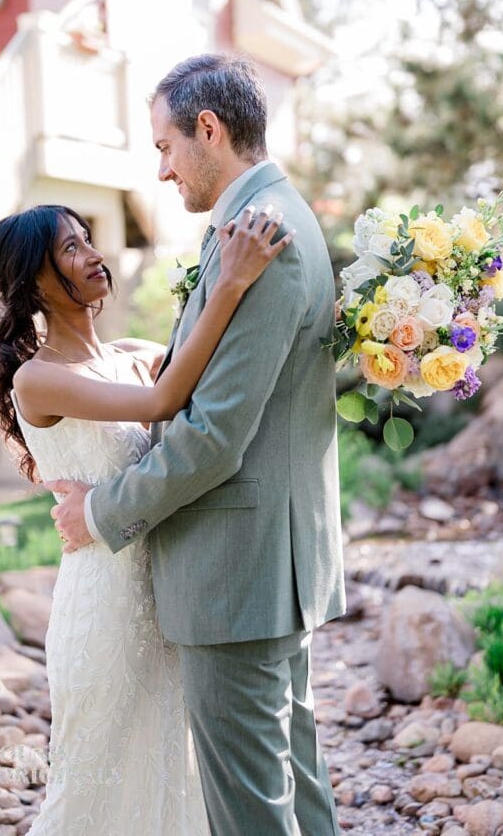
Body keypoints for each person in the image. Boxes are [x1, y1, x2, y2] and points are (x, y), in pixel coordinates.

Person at [52, 53, 347, 835]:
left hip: (236, 574)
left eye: (164, 147)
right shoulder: (275, 218)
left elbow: (213, 436)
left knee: (251, 813)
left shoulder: (261, 236)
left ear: (207, 129)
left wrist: (101, 510)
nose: (161, 170)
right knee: (294, 789)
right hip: (266, 562)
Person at [0, 200, 292, 835]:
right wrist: (229, 281)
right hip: (104, 607)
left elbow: (209, 362)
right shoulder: (38, 379)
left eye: (87, 239)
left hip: (167, 594)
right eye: (70, 249)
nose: (94, 255)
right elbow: (165, 399)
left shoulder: (128, 353)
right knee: (96, 783)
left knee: (169, 771)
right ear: (33, 282)